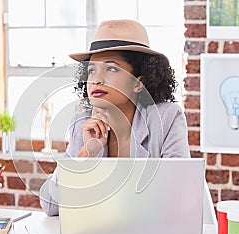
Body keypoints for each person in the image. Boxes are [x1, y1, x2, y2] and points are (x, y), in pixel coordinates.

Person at [39, 19, 190, 216]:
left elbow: (178, 198)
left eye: (111, 68)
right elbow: (50, 205)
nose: (96, 79)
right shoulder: (82, 125)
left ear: (138, 83)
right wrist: (85, 154)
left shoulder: (167, 119)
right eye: (92, 70)